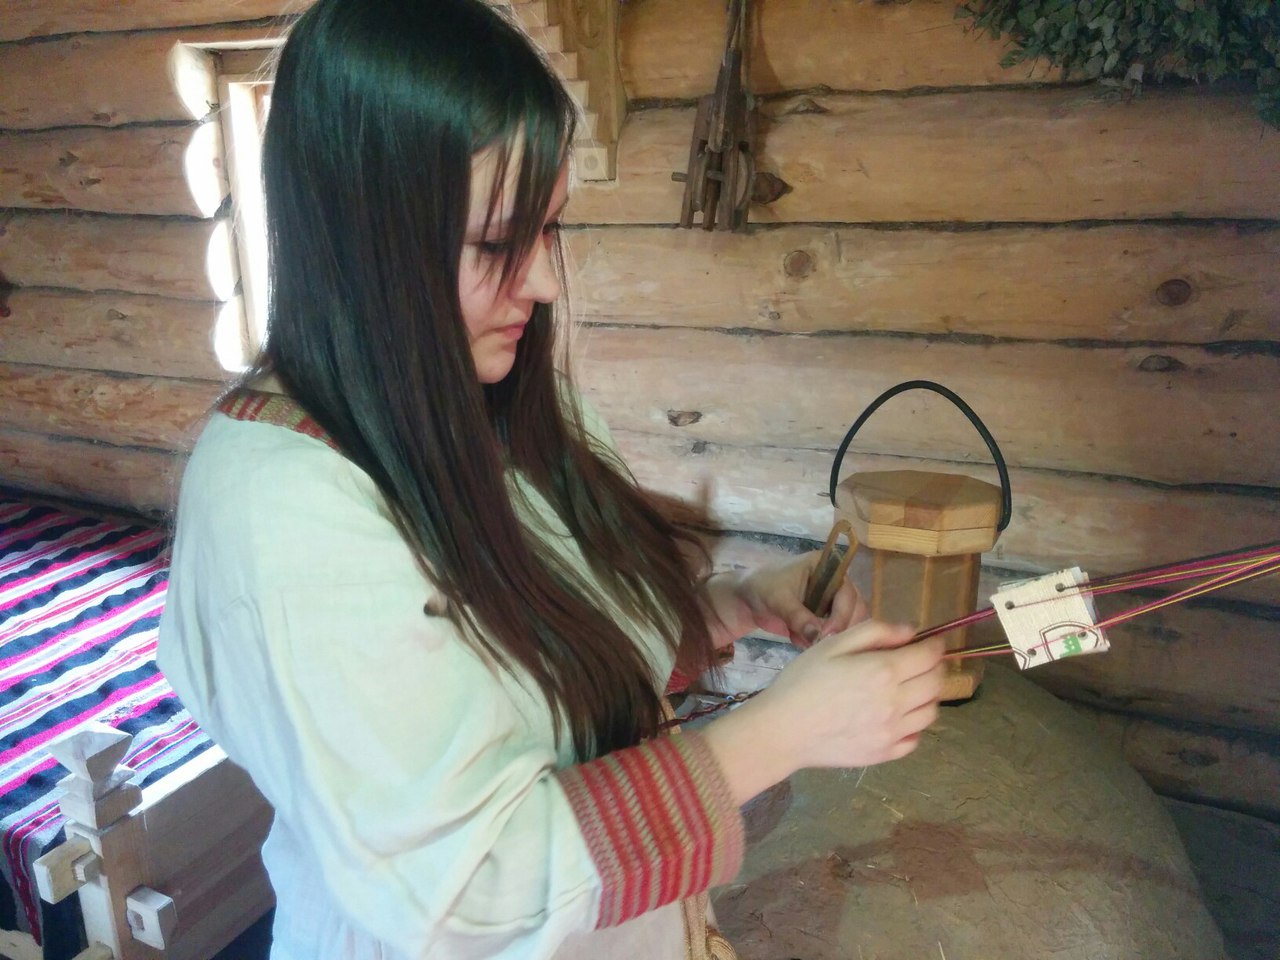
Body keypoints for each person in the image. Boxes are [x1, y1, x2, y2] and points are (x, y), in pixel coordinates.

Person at [156, 1, 945, 958]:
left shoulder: (501, 403)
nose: (544, 282)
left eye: (549, 228)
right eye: (497, 244)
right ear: (365, 240)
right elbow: (463, 888)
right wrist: (782, 734)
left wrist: (733, 608)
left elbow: (554, 676)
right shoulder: (285, 513)